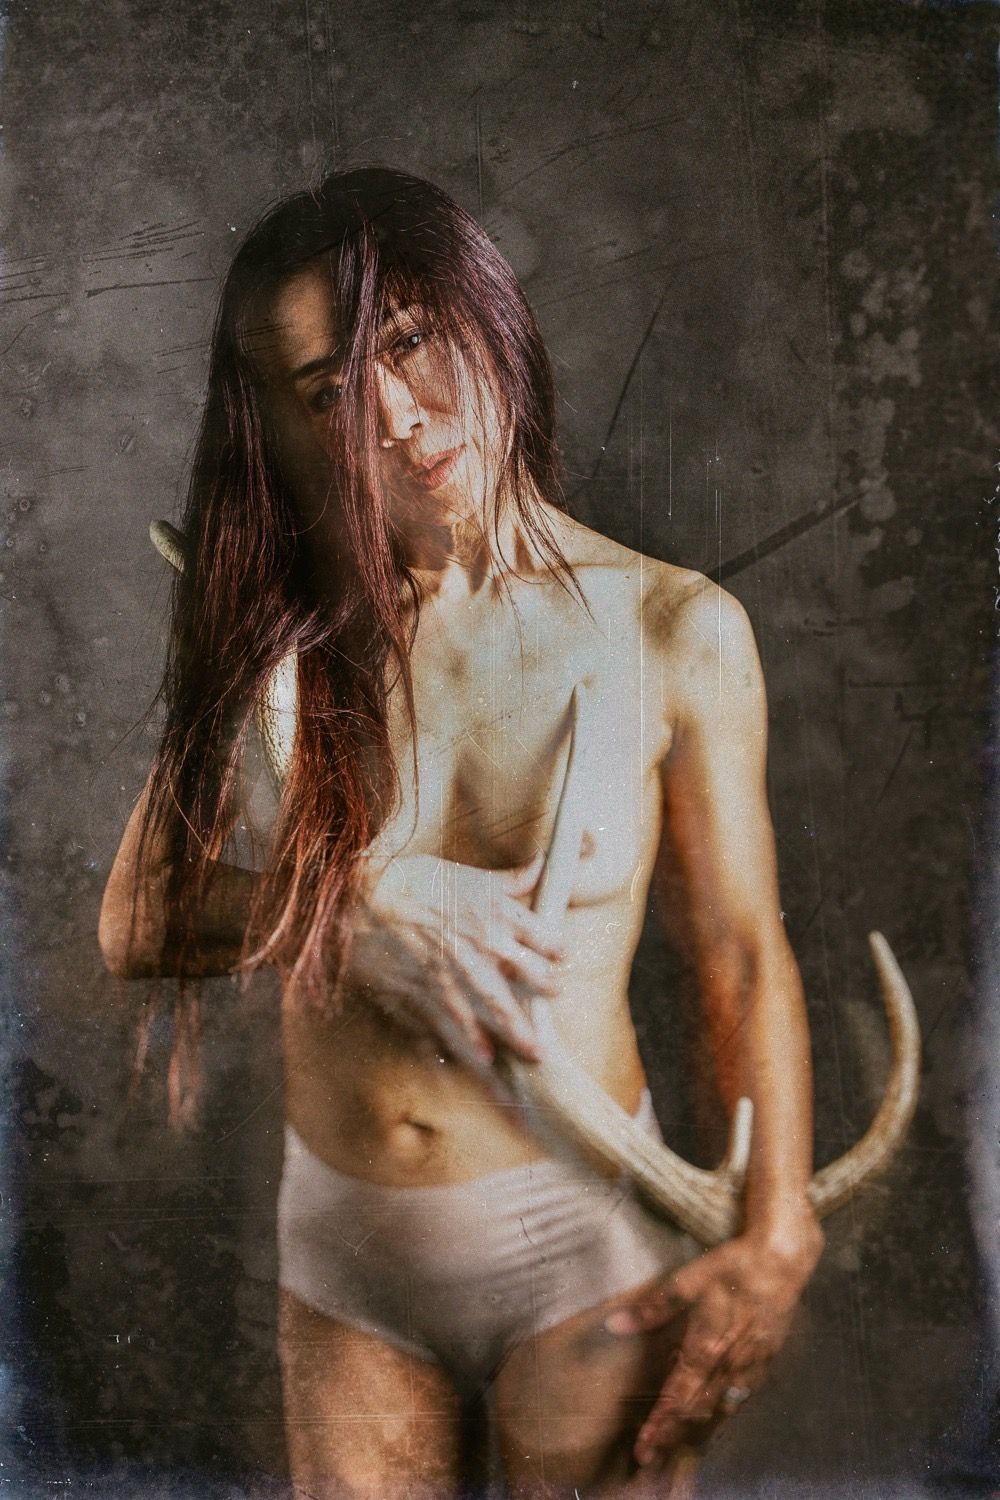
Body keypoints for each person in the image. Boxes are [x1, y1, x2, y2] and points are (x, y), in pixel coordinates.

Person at [98, 168, 824, 1498]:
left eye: (409, 341)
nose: (390, 412)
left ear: (490, 314)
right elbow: (138, 921)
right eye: (329, 389)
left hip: (581, 1240)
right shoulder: (272, 627)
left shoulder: (675, 629)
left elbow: (740, 954)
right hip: (348, 1252)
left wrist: (778, 1232)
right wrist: (355, 901)